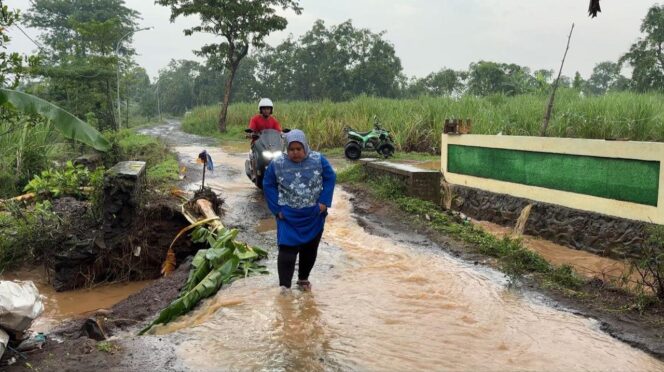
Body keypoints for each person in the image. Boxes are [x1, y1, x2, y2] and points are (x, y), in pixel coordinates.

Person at [262, 129, 336, 292]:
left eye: (298, 149)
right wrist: (276, 209)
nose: (295, 153)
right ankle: (284, 288)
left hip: (313, 215)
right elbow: (268, 184)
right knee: (287, 251)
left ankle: (303, 280)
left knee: (310, 249)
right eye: (291, 149)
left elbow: (330, 177)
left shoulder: (318, 159)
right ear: (286, 149)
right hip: (287, 215)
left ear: (305, 147)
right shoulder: (278, 163)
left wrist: (324, 201)